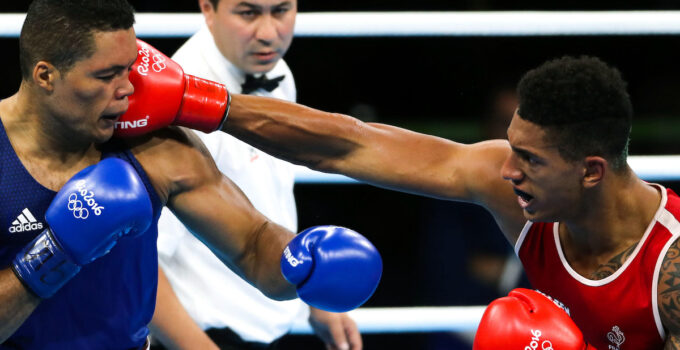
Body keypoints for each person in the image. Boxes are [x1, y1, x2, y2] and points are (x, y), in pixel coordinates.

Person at [117, 49, 680, 348]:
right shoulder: (507, 186)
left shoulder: (670, 270)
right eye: (511, 147)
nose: (506, 170)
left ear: (592, 171)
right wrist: (201, 103)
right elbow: (347, 147)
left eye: (531, 160)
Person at [0, 0, 382, 349]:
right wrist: (51, 255)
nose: (128, 89)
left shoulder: (153, 145)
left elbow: (252, 243)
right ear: (45, 76)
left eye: (130, 69)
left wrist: (302, 265)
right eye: (106, 76)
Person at [148, 0, 361, 349]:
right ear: (207, 8)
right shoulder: (179, 105)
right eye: (248, 13)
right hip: (204, 334)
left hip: (271, 323)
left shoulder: (278, 75)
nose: (268, 33)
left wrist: (309, 291)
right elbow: (141, 263)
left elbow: (269, 199)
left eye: (280, 11)